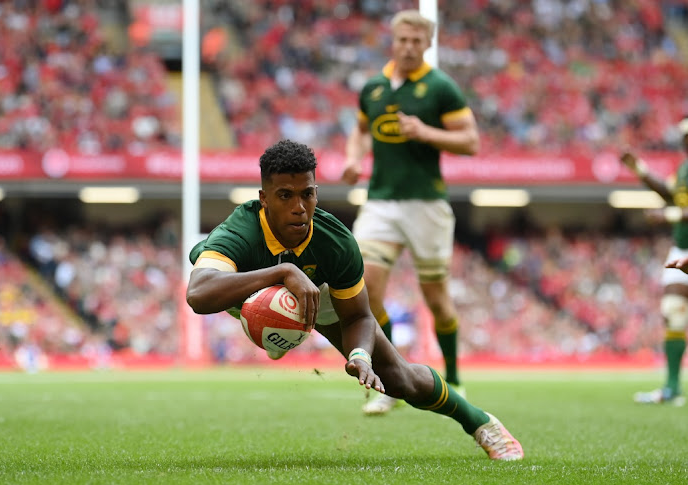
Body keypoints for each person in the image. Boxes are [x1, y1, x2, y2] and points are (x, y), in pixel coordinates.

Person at [187, 139, 523, 461]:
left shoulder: (335, 240)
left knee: (398, 378)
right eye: (285, 196)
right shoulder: (240, 230)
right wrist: (283, 272)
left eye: (307, 194)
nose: (299, 208)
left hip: (322, 294)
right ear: (263, 198)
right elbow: (199, 294)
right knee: (224, 280)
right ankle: (270, 320)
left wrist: (360, 355)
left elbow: (359, 317)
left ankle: (480, 422)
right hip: (253, 285)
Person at [341, 9, 478, 414]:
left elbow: (471, 140)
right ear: (394, 39)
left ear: (427, 44)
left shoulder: (441, 88)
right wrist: (353, 158)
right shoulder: (374, 87)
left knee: (436, 299)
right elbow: (362, 130)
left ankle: (453, 379)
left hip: (426, 204)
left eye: (417, 41)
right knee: (367, 291)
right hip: (381, 201)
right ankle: (392, 381)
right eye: (403, 39)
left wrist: (425, 131)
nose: (408, 46)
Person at [620, 116, 688, 406]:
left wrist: (669, 215)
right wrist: (641, 171)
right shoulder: (683, 169)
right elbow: (672, 195)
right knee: (673, 312)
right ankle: (672, 387)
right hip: (681, 248)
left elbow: (677, 208)